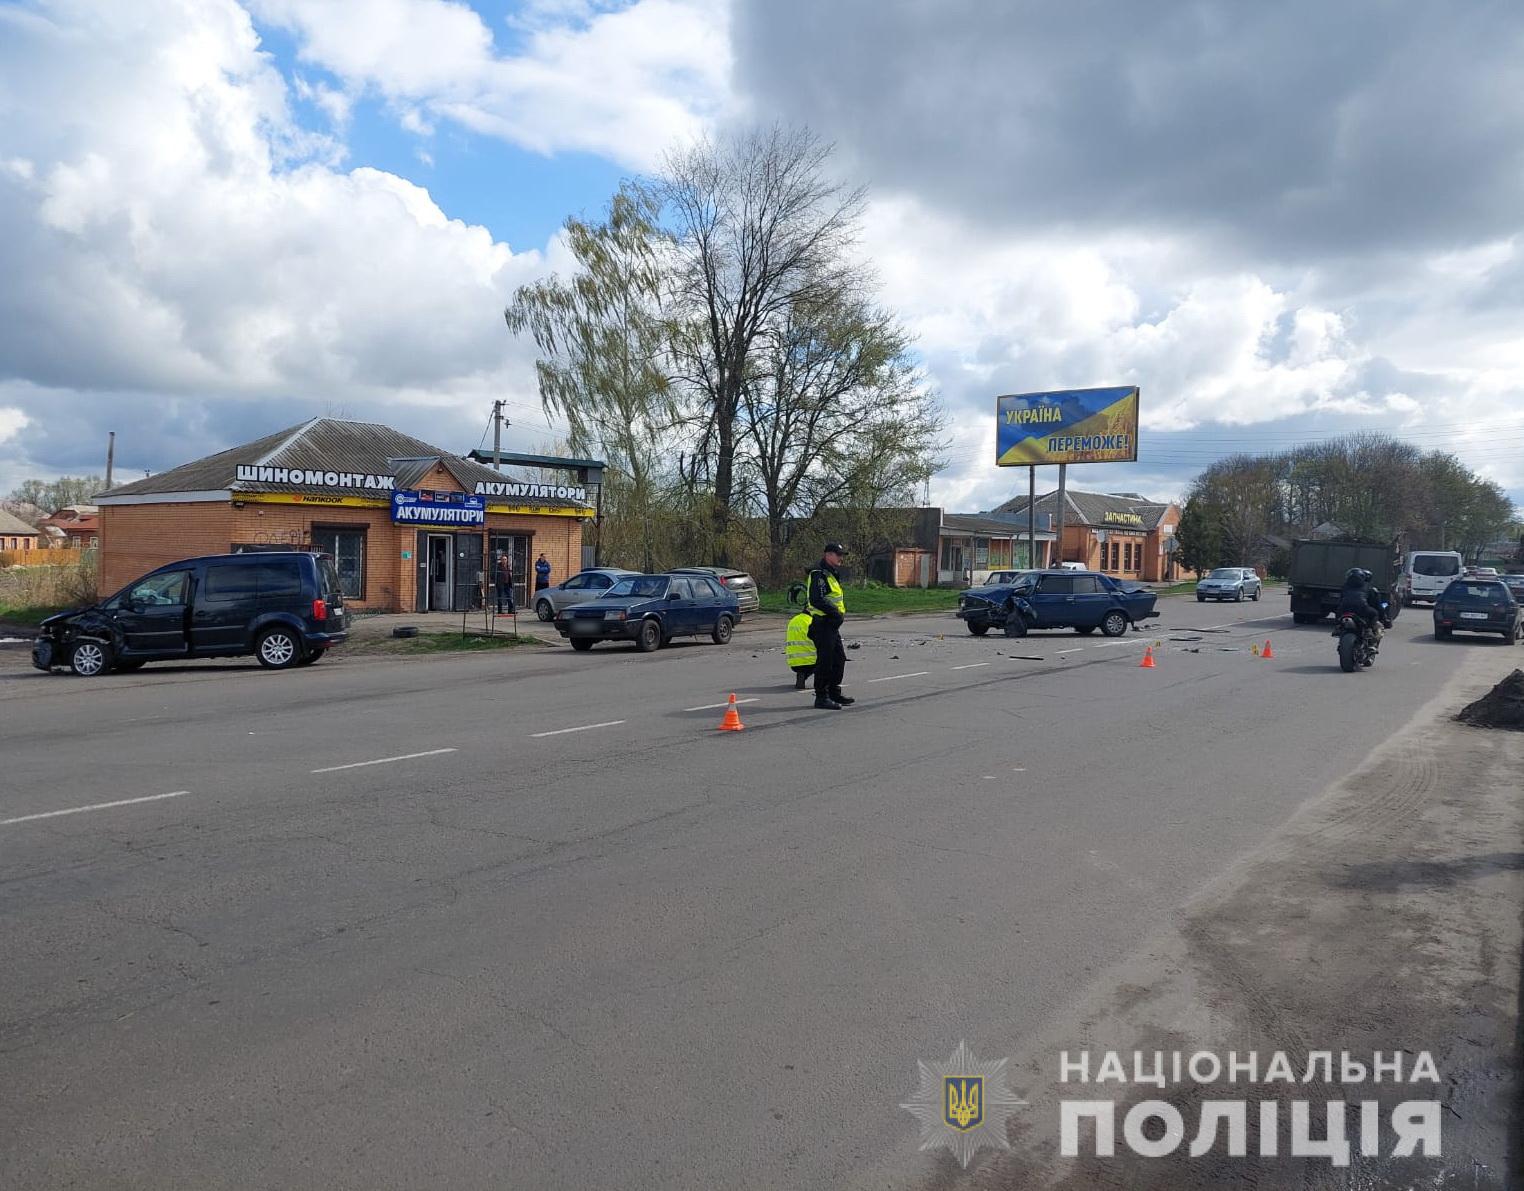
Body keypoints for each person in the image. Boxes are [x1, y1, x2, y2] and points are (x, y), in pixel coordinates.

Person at [805, 541, 853, 710]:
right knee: (825, 662)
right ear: (828, 555)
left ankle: (834, 692)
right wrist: (836, 613)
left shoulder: (831, 573)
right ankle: (821, 697)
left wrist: (837, 616)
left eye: (841, 555)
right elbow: (817, 599)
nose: (841, 558)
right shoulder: (819, 574)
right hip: (823, 624)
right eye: (838, 555)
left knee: (839, 659)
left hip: (832, 625)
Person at [1337, 567, 1392, 647]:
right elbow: (1377, 606)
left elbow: (1340, 600)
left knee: (1339, 612)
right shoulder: (1369, 588)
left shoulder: (1344, 587)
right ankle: (1369, 629)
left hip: (1344, 608)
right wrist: (1384, 618)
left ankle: (1338, 627)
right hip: (1362, 609)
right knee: (1375, 614)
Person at [785, 608, 817, 689]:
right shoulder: (812, 621)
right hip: (812, 661)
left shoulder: (793, 620)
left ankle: (801, 675)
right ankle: (822, 683)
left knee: (803, 668)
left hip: (794, 662)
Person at [495, 550, 515, 615]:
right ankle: (500, 611)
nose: (504, 561)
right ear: (501, 560)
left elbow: (509, 575)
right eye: (503, 559)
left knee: (509, 596)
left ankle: (510, 610)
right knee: (500, 597)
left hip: (507, 583)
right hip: (500, 584)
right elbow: (495, 575)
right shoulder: (498, 566)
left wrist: (510, 582)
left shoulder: (508, 566)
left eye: (505, 559)